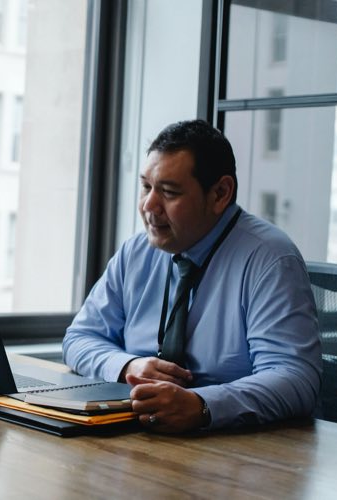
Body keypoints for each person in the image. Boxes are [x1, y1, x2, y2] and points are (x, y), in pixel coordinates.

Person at [63, 119, 321, 433]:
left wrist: (202, 405)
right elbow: (79, 338)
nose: (149, 206)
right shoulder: (136, 252)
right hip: (137, 435)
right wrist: (128, 366)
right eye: (146, 187)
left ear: (220, 194)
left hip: (233, 450)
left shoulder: (269, 258)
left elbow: (295, 378)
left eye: (169, 193)